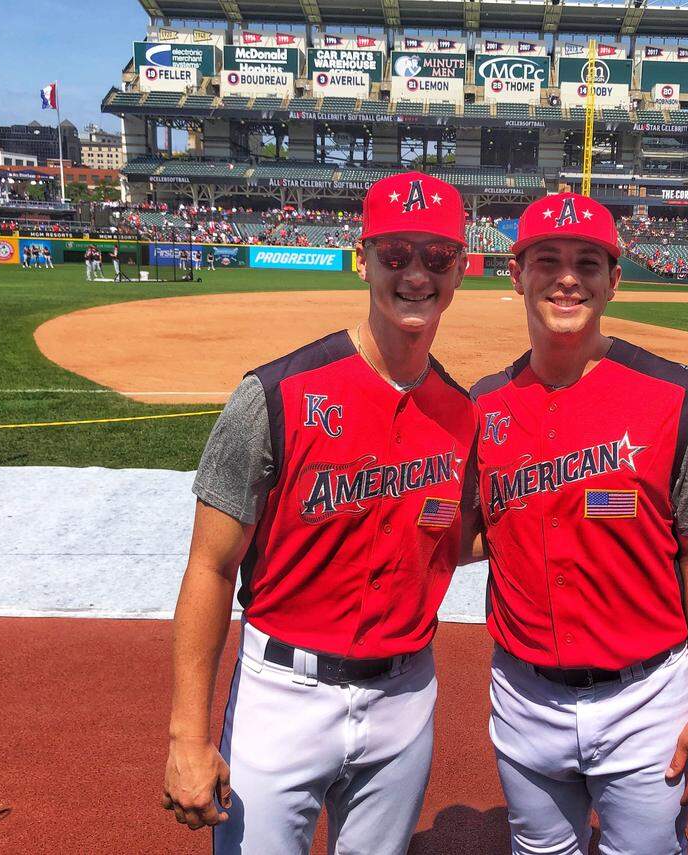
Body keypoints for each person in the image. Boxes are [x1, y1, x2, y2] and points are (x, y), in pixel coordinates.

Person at [162, 171, 477, 855]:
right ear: (362, 258)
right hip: (282, 695)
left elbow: (464, 533)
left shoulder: (463, 414)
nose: (416, 274)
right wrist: (188, 735)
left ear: (462, 268)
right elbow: (211, 566)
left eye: (436, 256)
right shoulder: (273, 394)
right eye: (396, 255)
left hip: (404, 698)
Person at [468, 193, 688, 855]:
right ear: (517, 274)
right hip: (524, 693)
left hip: (645, 698)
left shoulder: (680, 396)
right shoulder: (482, 405)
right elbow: (470, 532)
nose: (568, 277)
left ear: (613, 280)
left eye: (587, 262)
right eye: (548, 260)